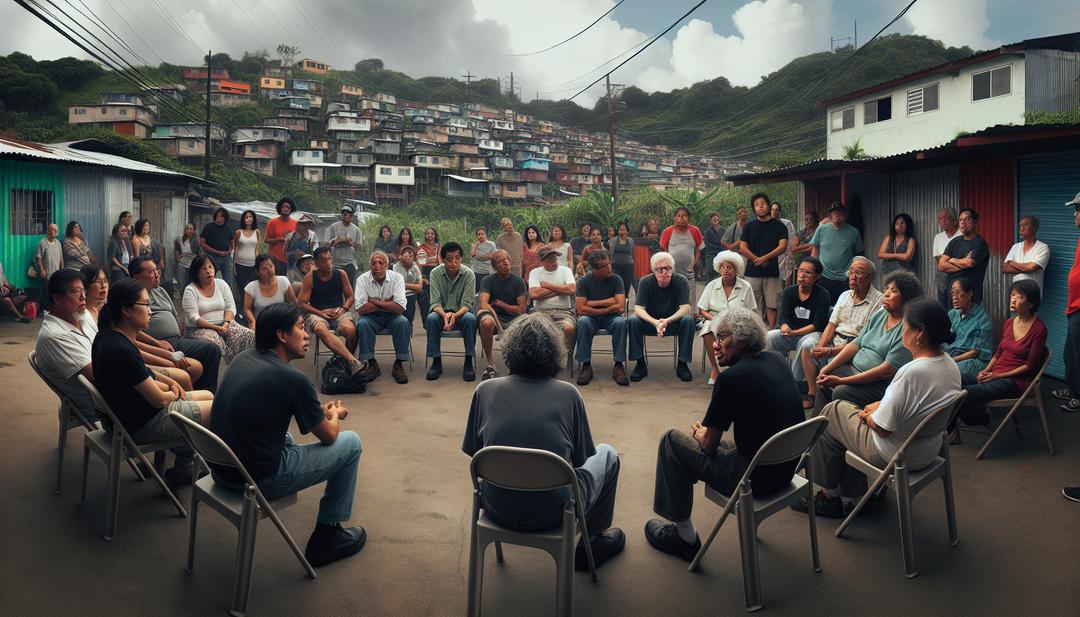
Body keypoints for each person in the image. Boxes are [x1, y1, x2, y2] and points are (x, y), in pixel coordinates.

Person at [462, 313, 625, 569]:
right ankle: (592, 543)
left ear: (510, 349)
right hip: (553, 512)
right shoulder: (568, 394)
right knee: (607, 454)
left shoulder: (485, 390)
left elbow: (475, 454)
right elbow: (579, 461)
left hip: (496, 507)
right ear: (555, 351)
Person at [209, 302, 365, 567]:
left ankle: (327, 531)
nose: (307, 335)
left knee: (288, 439)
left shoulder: (244, 359)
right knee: (351, 444)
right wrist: (334, 414)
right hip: (256, 481)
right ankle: (327, 536)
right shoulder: (293, 379)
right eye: (301, 328)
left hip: (223, 471)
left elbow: (283, 402)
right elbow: (329, 436)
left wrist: (319, 410)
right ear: (282, 335)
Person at [644, 308, 802, 561]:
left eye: (722, 337)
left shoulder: (730, 379)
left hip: (752, 480)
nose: (715, 345)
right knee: (719, 445)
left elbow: (708, 446)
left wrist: (700, 434)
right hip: (785, 471)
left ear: (742, 340)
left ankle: (684, 538)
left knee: (671, 441)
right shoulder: (776, 360)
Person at [793, 298, 961, 518]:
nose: (902, 332)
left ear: (919, 332)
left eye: (905, 327)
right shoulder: (949, 364)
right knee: (846, 417)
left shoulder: (911, 372)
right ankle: (854, 496)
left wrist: (868, 416)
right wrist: (877, 407)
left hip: (895, 455)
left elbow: (882, 428)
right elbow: (917, 405)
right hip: (927, 450)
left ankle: (829, 497)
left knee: (833, 412)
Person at [92, 278, 214, 487]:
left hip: (129, 418)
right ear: (126, 310)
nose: (150, 311)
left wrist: (169, 381)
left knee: (209, 395)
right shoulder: (122, 350)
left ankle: (184, 464)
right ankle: (197, 467)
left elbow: (143, 373)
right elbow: (159, 400)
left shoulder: (109, 336)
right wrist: (173, 393)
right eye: (146, 304)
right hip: (143, 424)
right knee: (218, 410)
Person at [813, 271, 922, 417]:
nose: (886, 294)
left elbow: (885, 372)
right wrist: (826, 368)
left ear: (906, 297)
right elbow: (856, 343)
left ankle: (839, 427)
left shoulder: (907, 328)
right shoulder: (881, 314)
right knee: (823, 380)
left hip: (879, 383)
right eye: (886, 289)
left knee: (840, 391)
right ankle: (817, 425)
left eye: (893, 291)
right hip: (854, 368)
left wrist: (841, 380)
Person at [950, 279, 1047, 440]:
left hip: (1015, 381)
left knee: (963, 394)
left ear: (1032, 303)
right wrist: (986, 370)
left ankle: (981, 419)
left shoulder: (1039, 329)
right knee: (949, 380)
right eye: (1012, 295)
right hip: (995, 373)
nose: (1013, 300)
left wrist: (997, 375)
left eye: (1020, 297)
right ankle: (957, 429)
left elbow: (1030, 366)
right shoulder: (1009, 323)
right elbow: (999, 352)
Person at [132, 257, 222, 392]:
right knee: (196, 365)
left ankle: (207, 393)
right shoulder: (133, 299)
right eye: (151, 272)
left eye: (157, 270)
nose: (157, 274)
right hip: (158, 343)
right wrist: (158, 343)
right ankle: (196, 395)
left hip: (176, 340)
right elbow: (132, 332)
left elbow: (175, 314)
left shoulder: (160, 291)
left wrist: (179, 328)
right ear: (136, 277)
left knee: (211, 350)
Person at [34, 269, 99, 419]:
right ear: (57, 298)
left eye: (83, 290)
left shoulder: (82, 316)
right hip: (102, 406)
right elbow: (99, 375)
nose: (83, 297)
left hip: (112, 392)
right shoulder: (54, 336)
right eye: (76, 292)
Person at [628, 252, 695, 383]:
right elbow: (638, 308)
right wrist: (655, 322)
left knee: (688, 320)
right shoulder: (645, 281)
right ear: (653, 270)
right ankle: (640, 364)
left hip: (673, 323)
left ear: (672, 269)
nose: (665, 272)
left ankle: (682, 364)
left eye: (668, 268)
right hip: (650, 323)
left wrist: (667, 321)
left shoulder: (681, 280)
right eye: (660, 269)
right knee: (633, 320)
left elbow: (686, 308)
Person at [299, 247, 364, 376]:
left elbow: (350, 297)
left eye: (329, 259)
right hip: (318, 313)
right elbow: (301, 303)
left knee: (351, 330)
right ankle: (351, 361)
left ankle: (342, 363)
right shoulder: (310, 278)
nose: (328, 262)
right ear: (316, 263)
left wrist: (342, 310)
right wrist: (321, 314)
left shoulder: (340, 274)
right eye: (323, 260)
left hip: (339, 311)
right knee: (320, 329)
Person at [766, 256, 832, 380]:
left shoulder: (823, 295)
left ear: (817, 276)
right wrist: (785, 326)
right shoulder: (789, 292)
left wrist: (793, 332)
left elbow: (816, 325)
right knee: (770, 336)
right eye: (801, 271)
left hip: (813, 334)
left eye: (808, 272)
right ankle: (775, 375)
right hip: (792, 333)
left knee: (806, 343)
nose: (802, 275)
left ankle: (796, 382)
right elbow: (784, 317)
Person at [182, 254, 255, 364]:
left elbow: (230, 307)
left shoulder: (221, 284)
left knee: (249, 335)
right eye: (204, 268)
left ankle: (241, 366)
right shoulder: (190, 290)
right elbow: (193, 318)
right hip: (198, 328)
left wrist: (226, 323)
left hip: (225, 324)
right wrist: (217, 328)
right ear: (197, 273)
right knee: (215, 342)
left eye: (210, 267)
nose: (208, 271)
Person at [698, 251, 757, 385]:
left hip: (738, 322)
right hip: (715, 320)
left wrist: (738, 322)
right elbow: (702, 309)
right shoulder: (712, 285)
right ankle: (716, 369)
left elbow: (751, 311)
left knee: (741, 332)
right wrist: (715, 319)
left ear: (736, 270)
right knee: (707, 330)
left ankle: (736, 369)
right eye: (723, 267)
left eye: (729, 267)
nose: (725, 270)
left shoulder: (745, 286)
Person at [353, 250, 410, 385]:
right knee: (362, 324)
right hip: (370, 317)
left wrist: (373, 301)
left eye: (380, 263)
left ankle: (399, 364)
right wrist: (388, 302)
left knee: (403, 322)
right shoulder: (362, 279)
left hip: (393, 316)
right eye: (374, 263)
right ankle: (372, 363)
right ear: (370, 265)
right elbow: (360, 309)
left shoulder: (397, 278)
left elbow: (400, 307)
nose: (377, 266)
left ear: (387, 265)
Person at [574, 249, 628, 387]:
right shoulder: (584, 281)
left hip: (611, 317)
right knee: (583, 322)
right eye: (605, 266)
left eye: (609, 263)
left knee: (620, 323)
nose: (610, 267)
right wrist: (609, 303)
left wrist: (591, 304)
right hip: (591, 318)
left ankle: (619, 365)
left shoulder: (616, 279)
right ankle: (586, 365)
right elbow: (580, 309)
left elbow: (620, 307)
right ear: (594, 269)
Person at [424, 242, 477, 381]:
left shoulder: (468, 274)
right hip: (441, 313)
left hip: (462, 314)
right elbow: (435, 302)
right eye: (449, 258)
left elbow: (467, 304)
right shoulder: (435, 273)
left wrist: (455, 316)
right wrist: (445, 315)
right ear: (443, 260)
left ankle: (468, 361)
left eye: (457, 258)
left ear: (461, 258)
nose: (454, 262)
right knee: (431, 319)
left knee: (471, 319)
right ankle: (436, 362)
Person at [477, 250, 528, 381]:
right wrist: (498, 324)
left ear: (509, 261)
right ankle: (490, 365)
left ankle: (516, 364)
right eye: (499, 261)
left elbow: (521, 309)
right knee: (486, 323)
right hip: (492, 317)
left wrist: (501, 304)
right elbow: (484, 304)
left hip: (513, 318)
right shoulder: (487, 280)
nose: (504, 262)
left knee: (526, 324)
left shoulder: (519, 282)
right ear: (494, 267)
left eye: (506, 259)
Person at [740, 192, 788, 328]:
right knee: (750, 304)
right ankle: (753, 331)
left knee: (772, 305)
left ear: (768, 205)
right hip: (752, 273)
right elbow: (743, 247)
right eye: (756, 205)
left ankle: (770, 332)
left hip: (771, 272)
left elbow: (783, 246)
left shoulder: (779, 226)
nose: (760, 207)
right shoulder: (749, 226)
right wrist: (757, 259)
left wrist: (765, 258)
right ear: (753, 208)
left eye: (763, 204)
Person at [811, 202, 864, 305]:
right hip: (823, 276)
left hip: (845, 279)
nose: (837, 216)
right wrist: (813, 269)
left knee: (843, 307)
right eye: (834, 213)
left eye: (840, 213)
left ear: (845, 215)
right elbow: (815, 248)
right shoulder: (822, 229)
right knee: (822, 306)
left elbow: (859, 254)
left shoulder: (854, 232)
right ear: (830, 215)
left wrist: (854, 274)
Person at [1055, 194, 1080, 414]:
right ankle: (1072, 388)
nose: (1075, 214)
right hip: (1074, 306)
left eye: (1078, 209)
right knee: (1070, 354)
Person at [529, 246, 577, 350]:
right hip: (540, 312)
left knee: (569, 328)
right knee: (535, 329)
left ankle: (566, 353)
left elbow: (572, 290)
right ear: (542, 261)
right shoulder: (535, 272)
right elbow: (534, 294)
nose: (554, 259)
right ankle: (543, 355)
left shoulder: (566, 270)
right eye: (550, 258)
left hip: (563, 311)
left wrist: (546, 285)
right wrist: (561, 289)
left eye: (555, 256)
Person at [939, 208, 990, 305]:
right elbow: (941, 265)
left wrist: (951, 260)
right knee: (951, 315)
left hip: (970, 294)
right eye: (961, 220)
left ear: (975, 222)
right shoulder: (954, 242)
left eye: (967, 219)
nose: (963, 223)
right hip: (951, 292)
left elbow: (969, 263)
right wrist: (963, 264)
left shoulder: (980, 243)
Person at [945, 278, 992, 374]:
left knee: (947, 371)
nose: (955, 298)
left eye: (958, 293)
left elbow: (975, 352)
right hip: (950, 355)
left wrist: (951, 360)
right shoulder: (952, 314)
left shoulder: (982, 319)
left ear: (970, 294)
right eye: (952, 294)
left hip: (970, 360)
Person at [243, 254, 296, 327]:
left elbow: (293, 302)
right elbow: (247, 308)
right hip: (261, 323)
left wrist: (288, 316)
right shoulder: (251, 287)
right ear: (258, 272)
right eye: (264, 268)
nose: (269, 270)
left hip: (280, 321)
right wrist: (253, 321)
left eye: (271, 266)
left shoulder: (283, 280)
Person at [1003, 216, 1050, 293]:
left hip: (1032, 293)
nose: (1022, 228)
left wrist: (1011, 263)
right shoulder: (1016, 246)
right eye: (1020, 225)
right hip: (1015, 292)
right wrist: (1026, 268)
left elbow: (1031, 268)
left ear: (1034, 228)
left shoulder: (1043, 247)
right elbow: (1005, 268)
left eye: (1026, 225)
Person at [659, 206, 704, 282]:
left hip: (689, 274)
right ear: (674, 218)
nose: (681, 218)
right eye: (678, 216)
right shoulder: (667, 231)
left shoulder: (695, 231)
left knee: (689, 289)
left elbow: (698, 249)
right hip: (671, 274)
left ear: (689, 218)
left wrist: (694, 263)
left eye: (685, 216)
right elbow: (663, 250)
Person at [932, 207, 963, 307]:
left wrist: (947, 260)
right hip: (943, 279)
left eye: (945, 218)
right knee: (944, 306)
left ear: (954, 220)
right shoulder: (938, 237)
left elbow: (965, 259)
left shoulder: (962, 235)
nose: (942, 221)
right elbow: (939, 261)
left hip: (960, 277)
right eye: (940, 219)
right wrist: (956, 260)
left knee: (959, 305)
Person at [326, 205, 362, 284]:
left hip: (349, 263)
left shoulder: (356, 230)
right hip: (335, 263)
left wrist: (351, 244)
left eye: (347, 214)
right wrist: (343, 241)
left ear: (351, 216)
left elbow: (358, 247)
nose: (345, 215)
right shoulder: (334, 226)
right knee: (335, 285)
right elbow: (329, 244)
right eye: (344, 214)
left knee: (348, 285)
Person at [200, 207, 235, 288]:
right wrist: (216, 251)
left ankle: (227, 295)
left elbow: (232, 243)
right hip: (211, 256)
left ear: (225, 218)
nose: (219, 217)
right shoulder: (209, 227)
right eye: (217, 215)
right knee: (209, 279)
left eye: (221, 216)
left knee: (228, 280)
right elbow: (202, 243)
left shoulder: (228, 228)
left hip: (226, 258)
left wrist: (229, 251)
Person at [233, 210, 261, 309]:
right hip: (240, 264)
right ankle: (244, 310)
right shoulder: (238, 232)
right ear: (243, 219)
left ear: (253, 219)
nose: (249, 219)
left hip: (252, 265)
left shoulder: (257, 232)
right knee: (242, 288)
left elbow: (257, 249)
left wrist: (257, 264)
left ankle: (253, 308)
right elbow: (236, 248)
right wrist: (234, 266)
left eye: (251, 217)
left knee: (253, 287)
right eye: (246, 217)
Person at [265, 197, 298, 275]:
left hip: (290, 260)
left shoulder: (296, 224)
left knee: (287, 281)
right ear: (280, 209)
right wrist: (279, 240)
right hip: (275, 258)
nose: (285, 209)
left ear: (291, 209)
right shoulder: (272, 222)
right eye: (283, 207)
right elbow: (266, 240)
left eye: (288, 207)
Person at [35, 223, 63, 310]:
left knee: (54, 292)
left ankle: (51, 310)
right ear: (48, 231)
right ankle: (43, 311)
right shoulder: (42, 243)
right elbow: (38, 257)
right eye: (52, 229)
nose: (54, 231)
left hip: (56, 273)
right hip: (46, 273)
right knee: (45, 293)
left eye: (55, 230)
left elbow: (61, 257)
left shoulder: (58, 243)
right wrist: (42, 270)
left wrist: (62, 269)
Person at [393, 245, 423, 326]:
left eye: (411, 255)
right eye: (406, 254)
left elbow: (419, 287)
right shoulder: (395, 267)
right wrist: (413, 286)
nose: (408, 256)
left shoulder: (415, 267)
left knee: (409, 320)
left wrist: (404, 285)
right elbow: (397, 285)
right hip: (399, 297)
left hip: (411, 296)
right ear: (400, 256)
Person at [416, 227, 441, 319]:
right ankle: (426, 321)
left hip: (435, 272)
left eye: (432, 233)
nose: (430, 235)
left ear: (435, 235)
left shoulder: (438, 247)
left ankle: (435, 319)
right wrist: (421, 277)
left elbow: (440, 261)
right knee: (424, 299)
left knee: (435, 298)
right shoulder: (421, 247)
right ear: (425, 235)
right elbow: (419, 263)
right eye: (428, 233)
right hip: (424, 273)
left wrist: (440, 275)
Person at [770, 201, 797, 286]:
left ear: (780, 211)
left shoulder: (787, 223)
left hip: (785, 255)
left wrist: (790, 254)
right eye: (772, 210)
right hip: (772, 256)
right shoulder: (767, 224)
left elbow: (792, 239)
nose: (774, 212)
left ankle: (787, 294)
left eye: (776, 210)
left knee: (787, 276)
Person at [608, 221, 635, 296]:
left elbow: (632, 253)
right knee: (616, 286)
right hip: (615, 266)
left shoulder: (631, 241)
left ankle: (625, 301)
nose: (622, 231)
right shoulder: (613, 240)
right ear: (618, 231)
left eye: (624, 229)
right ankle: (617, 301)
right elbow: (610, 254)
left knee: (626, 287)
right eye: (620, 229)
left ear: (627, 231)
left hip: (628, 267)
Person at [469, 227, 497, 292]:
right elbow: (472, 254)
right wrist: (477, 244)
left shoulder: (491, 244)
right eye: (478, 234)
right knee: (476, 291)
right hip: (476, 271)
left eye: (482, 234)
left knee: (486, 291)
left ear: (486, 235)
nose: (481, 236)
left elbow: (495, 256)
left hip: (487, 272)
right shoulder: (475, 245)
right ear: (476, 236)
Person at [174, 222, 199, 290]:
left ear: (194, 230)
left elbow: (200, 252)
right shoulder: (180, 239)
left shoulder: (197, 240)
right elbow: (177, 248)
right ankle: (182, 295)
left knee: (190, 283)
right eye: (187, 229)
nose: (189, 231)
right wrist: (178, 257)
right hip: (182, 264)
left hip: (192, 264)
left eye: (191, 229)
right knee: (182, 283)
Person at [702, 212, 724, 282]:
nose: (716, 221)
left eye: (717, 219)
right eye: (714, 219)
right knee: (711, 278)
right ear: (711, 221)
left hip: (722, 256)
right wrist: (720, 245)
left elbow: (726, 242)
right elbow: (708, 245)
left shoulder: (723, 230)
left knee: (721, 277)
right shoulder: (707, 232)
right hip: (711, 257)